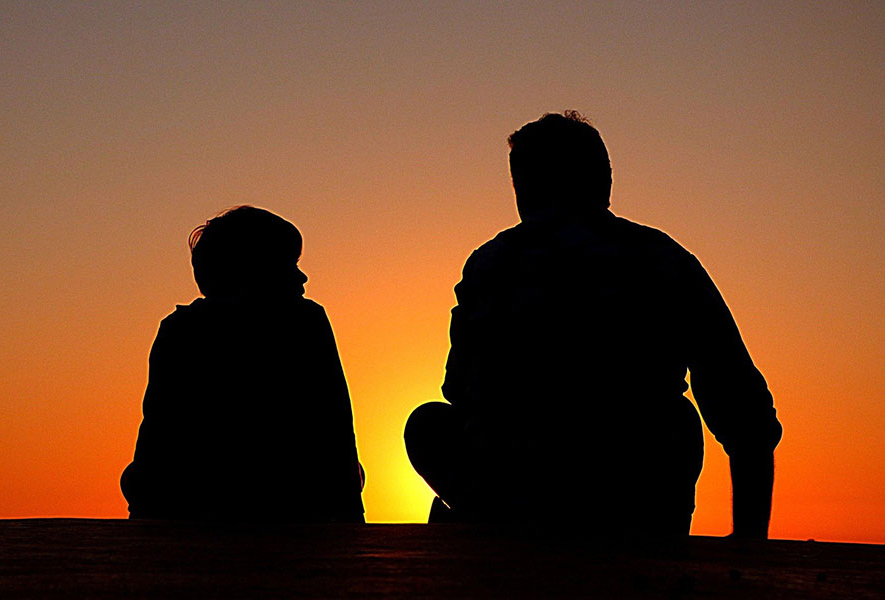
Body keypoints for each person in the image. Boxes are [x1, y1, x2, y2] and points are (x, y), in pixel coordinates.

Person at [404, 111, 782, 536]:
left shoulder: (490, 264)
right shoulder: (662, 259)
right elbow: (744, 410)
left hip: (516, 497)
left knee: (429, 424)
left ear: (523, 188)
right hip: (639, 496)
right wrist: (751, 542)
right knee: (677, 418)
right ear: (604, 181)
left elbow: (457, 388)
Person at [121, 206, 365, 522]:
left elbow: (157, 432)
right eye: (289, 265)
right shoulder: (305, 321)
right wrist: (350, 521)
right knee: (355, 473)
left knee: (134, 475)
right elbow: (335, 430)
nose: (302, 276)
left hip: (194, 498)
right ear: (255, 270)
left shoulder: (180, 328)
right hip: (288, 499)